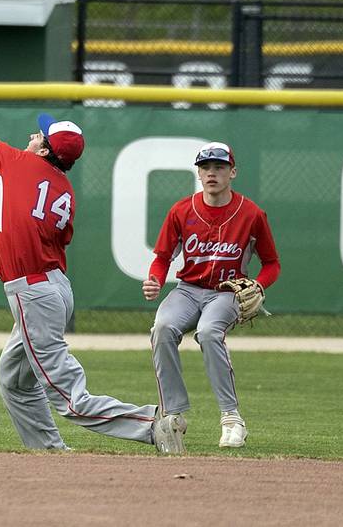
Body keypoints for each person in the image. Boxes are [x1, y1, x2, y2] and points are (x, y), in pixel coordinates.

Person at [0, 71, 158, 450]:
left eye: (39, 135)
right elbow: (14, 234)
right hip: (52, 289)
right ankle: (50, 454)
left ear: (45, 150)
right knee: (14, 380)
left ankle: (151, 424)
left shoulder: (16, 164)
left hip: (34, 293)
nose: (32, 135)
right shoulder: (62, 189)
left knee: (67, 396)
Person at [142, 141, 280, 453]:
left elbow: (272, 263)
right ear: (199, 174)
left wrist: (258, 285)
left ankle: (232, 419)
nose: (211, 173)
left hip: (227, 292)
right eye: (205, 167)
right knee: (162, 329)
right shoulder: (181, 210)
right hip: (188, 291)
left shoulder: (251, 214)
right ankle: (173, 415)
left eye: (218, 167)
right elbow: (163, 256)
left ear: (233, 172)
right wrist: (155, 279)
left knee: (207, 333)